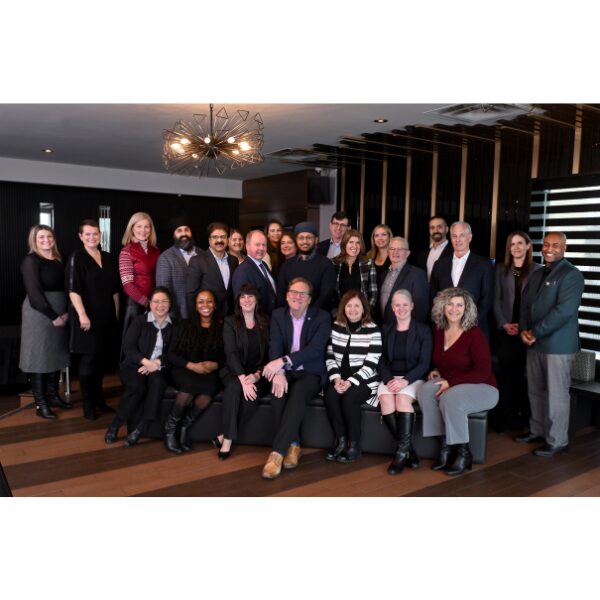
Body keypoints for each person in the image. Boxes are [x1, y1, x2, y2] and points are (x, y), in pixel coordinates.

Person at [516, 232, 585, 457]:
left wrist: (534, 332)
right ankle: (538, 431)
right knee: (535, 390)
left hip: (558, 345)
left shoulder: (572, 275)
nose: (549, 249)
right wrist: (524, 330)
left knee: (557, 394)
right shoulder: (537, 273)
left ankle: (557, 441)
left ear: (564, 248)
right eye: (546, 244)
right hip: (533, 342)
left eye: (555, 245)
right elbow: (525, 304)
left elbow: (564, 311)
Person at [417, 288, 498, 476]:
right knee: (425, 390)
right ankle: (445, 446)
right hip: (453, 382)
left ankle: (464, 452)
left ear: (466, 308)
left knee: (450, 398)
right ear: (443, 306)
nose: (454, 309)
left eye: (459, 305)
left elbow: (483, 371)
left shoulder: (474, 334)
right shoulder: (438, 330)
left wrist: (451, 383)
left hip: (483, 387)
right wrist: (436, 370)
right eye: (450, 304)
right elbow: (443, 361)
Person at [261, 278, 330, 479]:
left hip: (310, 372)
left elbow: (315, 349)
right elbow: (275, 344)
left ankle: (277, 453)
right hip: (286, 371)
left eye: (302, 294)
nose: (297, 297)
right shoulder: (278, 315)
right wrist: (279, 373)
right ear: (286, 295)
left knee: (298, 392)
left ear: (309, 299)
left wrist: (283, 361)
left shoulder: (322, 317)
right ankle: (293, 445)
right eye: (293, 292)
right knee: (277, 392)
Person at [104, 287, 174, 447]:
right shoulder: (140, 322)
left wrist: (157, 363)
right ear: (150, 303)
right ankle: (116, 423)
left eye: (164, 301)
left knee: (158, 384)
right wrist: (146, 362)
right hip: (134, 365)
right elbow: (128, 348)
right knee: (137, 386)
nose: (160, 305)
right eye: (156, 301)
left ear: (170, 304)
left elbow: (175, 352)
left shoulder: (174, 326)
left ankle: (141, 428)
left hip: (159, 367)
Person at [66, 219, 120, 420]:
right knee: (89, 362)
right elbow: (73, 289)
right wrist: (82, 314)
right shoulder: (77, 257)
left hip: (106, 316)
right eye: (87, 234)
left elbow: (115, 290)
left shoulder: (108, 257)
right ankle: (88, 405)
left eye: (95, 233)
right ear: (81, 236)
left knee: (101, 361)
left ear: (100, 235)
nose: (92, 237)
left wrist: (116, 314)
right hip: (86, 317)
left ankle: (99, 400)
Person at [19, 224, 71, 419]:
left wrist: (67, 313)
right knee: (39, 358)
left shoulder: (60, 258)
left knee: (56, 354)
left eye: (49, 236)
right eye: (41, 237)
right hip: (40, 313)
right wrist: (53, 316)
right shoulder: (31, 260)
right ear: (34, 240)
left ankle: (53, 396)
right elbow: (34, 294)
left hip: (61, 312)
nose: (46, 240)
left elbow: (69, 287)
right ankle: (41, 404)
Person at [378, 289, 432, 474]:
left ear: (412, 306)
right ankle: (410, 451)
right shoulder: (386, 330)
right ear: (392, 308)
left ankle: (401, 454)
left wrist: (405, 380)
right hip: (391, 377)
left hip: (414, 378)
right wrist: (388, 380)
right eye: (397, 305)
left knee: (401, 398)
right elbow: (380, 360)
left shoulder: (423, 330)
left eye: (405, 305)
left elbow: (424, 363)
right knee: (386, 399)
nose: (401, 308)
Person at [492, 231, 542, 431]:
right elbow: (496, 299)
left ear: (528, 246)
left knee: (523, 377)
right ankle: (504, 417)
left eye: (520, 243)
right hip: (505, 332)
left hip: (526, 333)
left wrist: (524, 327)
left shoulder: (537, 270)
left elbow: (538, 304)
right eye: (512, 244)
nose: (516, 247)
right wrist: (504, 323)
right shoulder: (501, 269)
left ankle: (520, 418)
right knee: (505, 376)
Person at [324, 291, 382, 463]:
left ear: (364, 309)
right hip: (340, 379)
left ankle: (354, 445)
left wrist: (350, 382)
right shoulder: (336, 326)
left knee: (350, 397)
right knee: (331, 394)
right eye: (349, 305)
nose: (353, 309)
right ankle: (340, 440)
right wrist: (336, 379)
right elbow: (330, 356)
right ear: (343, 308)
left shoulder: (373, 329)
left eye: (357, 305)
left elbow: (372, 363)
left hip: (365, 380)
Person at [214, 284, 271, 459]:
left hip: (257, 374)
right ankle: (228, 441)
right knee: (233, 388)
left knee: (251, 397)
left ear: (256, 300)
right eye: (243, 297)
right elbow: (231, 353)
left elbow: (269, 354)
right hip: (233, 371)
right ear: (238, 301)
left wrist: (257, 375)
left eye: (250, 296)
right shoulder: (230, 322)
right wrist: (243, 379)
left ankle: (224, 435)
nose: (247, 300)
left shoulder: (265, 322)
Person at [165, 289, 224, 454]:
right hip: (184, 368)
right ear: (196, 306)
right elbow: (171, 355)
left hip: (208, 371)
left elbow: (226, 356)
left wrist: (215, 365)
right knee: (189, 385)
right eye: (201, 302)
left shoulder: (222, 327)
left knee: (211, 386)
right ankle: (170, 428)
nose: (205, 305)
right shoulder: (184, 325)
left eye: (209, 301)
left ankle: (185, 425)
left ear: (215, 304)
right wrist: (192, 366)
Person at [430, 221, 494, 336]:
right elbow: (434, 295)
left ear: (470, 237)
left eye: (462, 235)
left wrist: (469, 322)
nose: (457, 240)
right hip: (446, 328)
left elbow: (487, 299)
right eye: (454, 236)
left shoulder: (484, 264)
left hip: (474, 328)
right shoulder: (439, 264)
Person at [118, 212, 161, 341]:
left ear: (151, 229)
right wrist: (147, 304)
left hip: (154, 305)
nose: (143, 230)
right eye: (139, 226)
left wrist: (156, 304)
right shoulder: (126, 251)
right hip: (135, 307)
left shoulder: (156, 251)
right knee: (133, 345)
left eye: (147, 227)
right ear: (132, 229)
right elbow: (128, 286)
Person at [277, 221, 336, 312]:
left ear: (316, 240)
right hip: (290, 316)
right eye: (301, 238)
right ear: (296, 240)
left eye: (308, 237)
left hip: (317, 316)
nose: (304, 241)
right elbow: (281, 294)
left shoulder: (326, 264)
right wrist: (292, 314)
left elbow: (326, 295)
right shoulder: (287, 265)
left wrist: (307, 314)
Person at [155, 215, 203, 320]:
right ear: (174, 235)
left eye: (187, 230)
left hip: (202, 314)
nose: (184, 234)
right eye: (179, 231)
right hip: (178, 316)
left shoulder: (202, 254)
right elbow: (163, 292)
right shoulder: (165, 258)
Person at [187, 222, 238, 318]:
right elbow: (191, 294)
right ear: (209, 240)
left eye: (223, 237)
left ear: (228, 239)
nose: (219, 240)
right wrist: (194, 319)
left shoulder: (233, 261)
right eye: (215, 237)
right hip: (207, 317)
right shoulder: (197, 261)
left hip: (230, 316)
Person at [378, 237, 429, 324]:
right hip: (383, 328)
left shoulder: (417, 274)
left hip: (405, 328)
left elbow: (421, 308)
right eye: (392, 249)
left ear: (407, 253)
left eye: (400, 249)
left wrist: (410, 330)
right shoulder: (382, 275)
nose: (395, 252)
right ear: (388, 252)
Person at [331, 229, 377, 317]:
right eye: (351, 242)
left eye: (358, 243)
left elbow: (373, 293)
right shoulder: (334, 263)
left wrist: (365, 313)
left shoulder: (368, 263)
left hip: (362, 315)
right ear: (344, 244)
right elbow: (331, 293)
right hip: (338, 315)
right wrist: (337, 314)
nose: (354, 246)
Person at [231, 229, 277, 315]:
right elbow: (242, 305)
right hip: (258, 321)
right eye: (257, 244)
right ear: (247, 246)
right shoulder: (242, 271)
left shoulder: (263, 265)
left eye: (264, 245)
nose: (261, 248)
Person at [412, 215, 453, 281]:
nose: (436, 230)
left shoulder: (454, 253)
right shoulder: (422, 254)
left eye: (439, 227)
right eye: (432, 228)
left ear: (447, 229)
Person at [366, 223, 393, 289]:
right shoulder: (368, 256)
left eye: (383, 235)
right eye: (377, 235)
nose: (380, 238)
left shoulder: (395, 256)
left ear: (389, 237)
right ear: (373, 239)